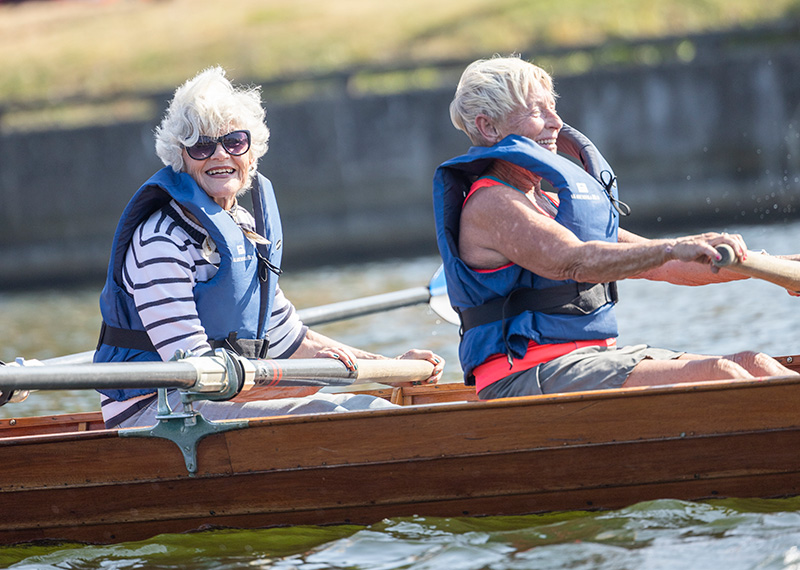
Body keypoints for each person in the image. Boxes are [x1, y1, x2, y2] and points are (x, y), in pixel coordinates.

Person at [94, 66, 444, 428]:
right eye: (201, 145)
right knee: (335, 411)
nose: (220, 155)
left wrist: (388, 368)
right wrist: (303, 383)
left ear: (250, 152)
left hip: (217, 392)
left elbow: (291, 340)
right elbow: (196, 372)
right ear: (180, 158)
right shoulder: (161, 240)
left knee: (355, 403)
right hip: (156, 411)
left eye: (234, 142)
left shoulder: (242, 227)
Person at [433, 55, 799, 400]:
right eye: (535, 111)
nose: (555, 122)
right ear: (487, 126)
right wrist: (673, 245)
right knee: (724, 376)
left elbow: (666, 266)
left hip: (587, 362)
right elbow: (573, 261)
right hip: (525, 376)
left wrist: (778, 268)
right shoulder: (492, 203)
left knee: (753, 364)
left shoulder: (553, 203)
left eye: (553, 108)